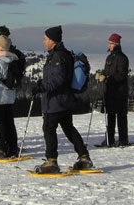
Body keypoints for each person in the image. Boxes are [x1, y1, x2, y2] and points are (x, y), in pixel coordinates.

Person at [32, 26, 94, 174]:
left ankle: (51, 162)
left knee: (49, 129)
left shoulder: (58, 56)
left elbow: (58, 79)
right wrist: (42, 84)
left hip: (55, 101)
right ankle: (84, 157)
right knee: (68, 129)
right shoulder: (63, 54)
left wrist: (42, 88)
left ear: (52, 41)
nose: (43, 41)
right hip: (65, 100)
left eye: (45, 39)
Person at [95, 33, 130, 146]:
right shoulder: (109, 57)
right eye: (109, 43)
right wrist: (102, 75)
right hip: (110, 92)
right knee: (110, 116)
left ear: (115, 44)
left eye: (110, 43)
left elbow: (122, 75)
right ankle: (109, 139)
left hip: (120, 93)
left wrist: (108, 78)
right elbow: (107, 72)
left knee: (121, 117)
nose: (109, 45)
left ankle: (123, 140)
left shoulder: (122, 58)